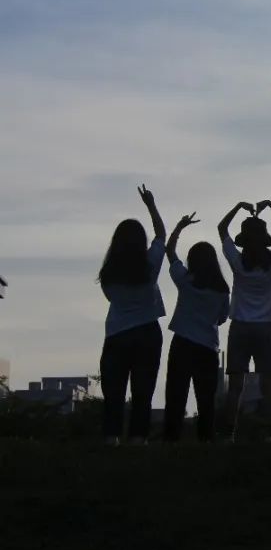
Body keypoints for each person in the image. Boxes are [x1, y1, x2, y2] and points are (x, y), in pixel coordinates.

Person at [97, 184, 167, 446]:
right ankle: (139, 438)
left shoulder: (108, 275)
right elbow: (161, 234)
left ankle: (111, 437)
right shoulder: (150, 266)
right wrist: (151, 205)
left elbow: (111, 299)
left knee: (114, 391)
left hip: (117, 334)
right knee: (143, 390)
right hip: (148, 333)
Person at [218, 200, 271, 440]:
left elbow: (221, 229)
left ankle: (229, 433)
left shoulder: (238, 263)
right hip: (266, 327)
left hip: (240, 326)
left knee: (235, 387)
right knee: (268, 387)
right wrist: (270, 205)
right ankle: (270, 434)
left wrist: (238, 206)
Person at [162, 212, 230, 442]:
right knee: (206, 399)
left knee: (175, 394)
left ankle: (171, 438)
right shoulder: (222, 290)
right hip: (208, 347)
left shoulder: (186, 281)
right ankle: (206, 439)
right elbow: (222, 318)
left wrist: (179, 227)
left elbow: (170, 253)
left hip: (182, 342)